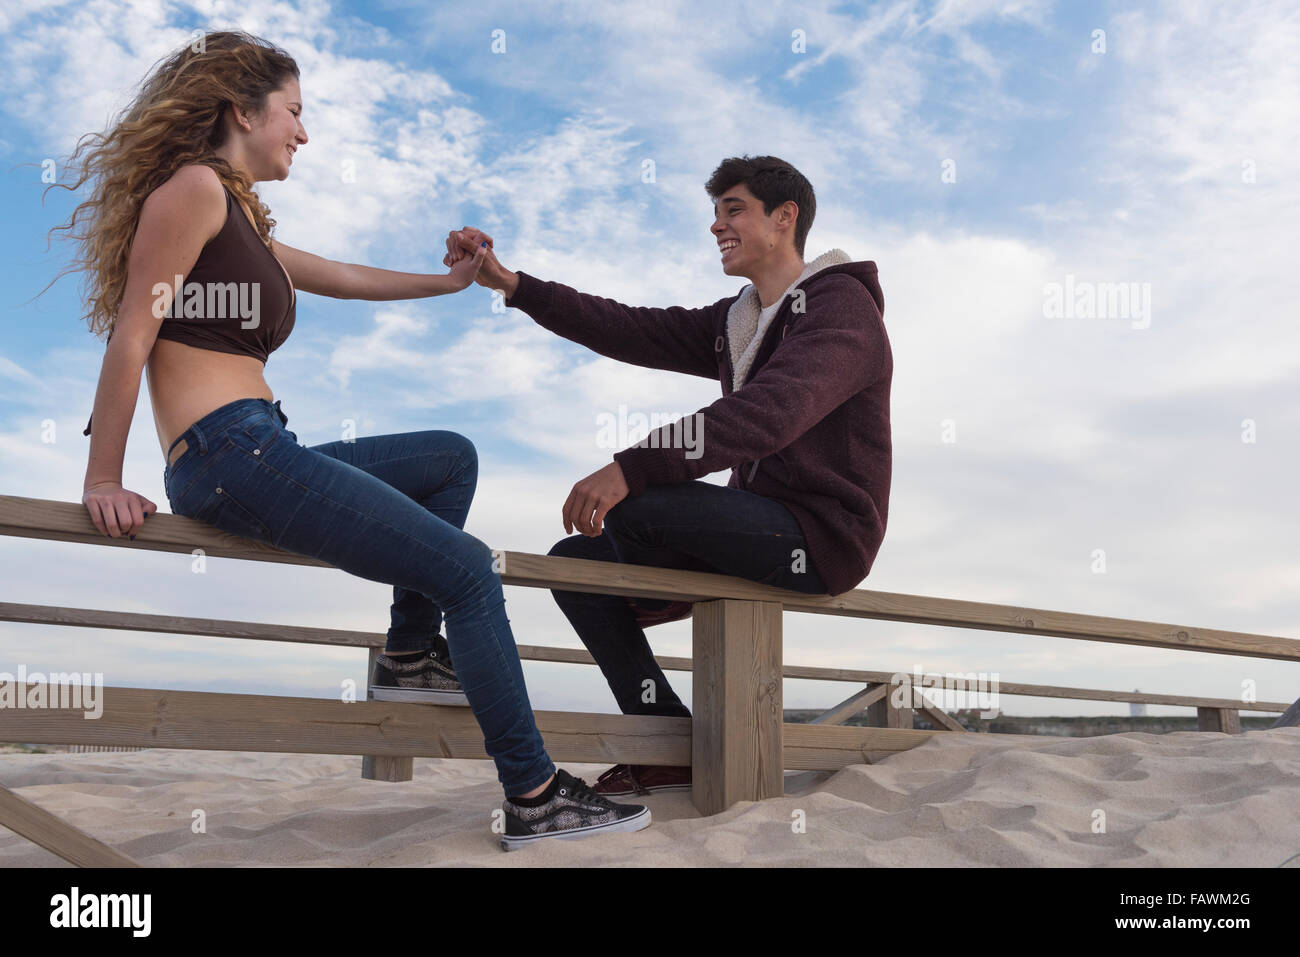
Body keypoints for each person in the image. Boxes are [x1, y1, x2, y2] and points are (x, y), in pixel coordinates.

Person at [55, 29, 649, 849]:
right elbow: (131, 336)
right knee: (471, 572)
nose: (303, 131)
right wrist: (102, 476)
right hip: (233, 453)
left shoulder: (243, 219)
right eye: (293, 112)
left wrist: (452, 282)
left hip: (260, 446)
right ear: (241, 110)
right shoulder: (192, 189)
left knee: (452, 458)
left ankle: (409, 655)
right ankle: (536, 792)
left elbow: (345, 277)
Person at [443, 155, 892, 797]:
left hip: (822, 536)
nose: (716, 226)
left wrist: (631, 466)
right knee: (577, 564)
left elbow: (769, 415)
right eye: (714, 213)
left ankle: (647, 588)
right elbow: (630, 328)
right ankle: (666, 742)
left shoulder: (841, 308)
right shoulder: (739, 318)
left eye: (733, 209)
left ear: (784, 217)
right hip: (754, 528)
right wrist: (510, 283)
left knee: (637, 505)